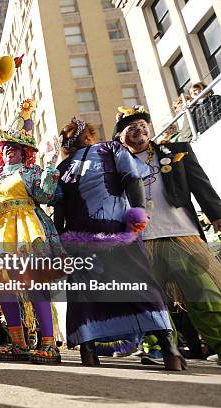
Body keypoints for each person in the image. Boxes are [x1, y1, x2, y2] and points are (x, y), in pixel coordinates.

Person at [54, 115, 185, 371]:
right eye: (65, 135)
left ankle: (170, 350)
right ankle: (89, 351)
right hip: (79, 240)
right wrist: (58, 239)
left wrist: (137, 212)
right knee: (85, 295)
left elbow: (131, 178)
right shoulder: (61, 168)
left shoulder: (109, 148)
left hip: (117, 231)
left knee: (138, 285)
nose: (67, 138)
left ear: (86, 134)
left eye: (71, 133)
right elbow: (59, 206)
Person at [115, 104, 221, 365]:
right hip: (140, 241)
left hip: (182, 234)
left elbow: (201, 184)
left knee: (203, 293)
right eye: (131, 128)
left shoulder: (177, 151)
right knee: (150, 301)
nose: (139, 129)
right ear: (121, 137)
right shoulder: (114, 166)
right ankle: (159, 349)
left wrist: (217, 215)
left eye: (142, 125)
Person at [0, 99, 63, 364]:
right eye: (6, 147)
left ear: (25, 152)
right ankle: (18, 343)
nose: (10, 150)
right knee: (4, 288)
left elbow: (46, 194)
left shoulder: (31, 172)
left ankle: (48, 343)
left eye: (15, 147)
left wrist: (51, 165)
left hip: (25, 231)